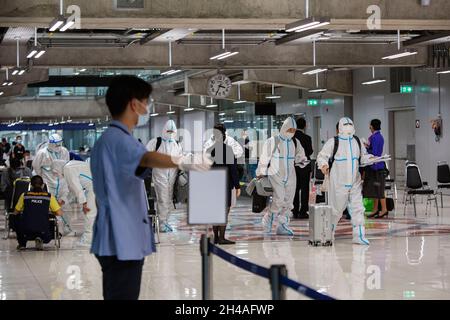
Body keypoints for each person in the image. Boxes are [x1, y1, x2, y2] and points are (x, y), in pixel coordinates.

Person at [90, 75, 212, 300]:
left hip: (117, 235)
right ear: (133, 104)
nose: (147, 108)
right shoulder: (118, 139)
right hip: (121, 238)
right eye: (145, 101)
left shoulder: (109, 140)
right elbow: (145, 158)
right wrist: (181, 161)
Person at [317, 117, 373, 245]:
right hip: (338, 182)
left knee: (358, 207)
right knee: (336, 210)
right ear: (340, 127)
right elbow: (322, 156)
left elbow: (362, 158)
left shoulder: (357, 141)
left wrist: (371, 158)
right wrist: (323, 165)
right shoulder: (333, 142)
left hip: (355, 181)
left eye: (350, 124)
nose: (348, 126)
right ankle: (328, 232)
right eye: (345, 124)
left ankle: (359, 235)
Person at [256, 116, 307, 236]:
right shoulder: (273, 141)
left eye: (293, 131)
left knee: (289, 202)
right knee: (278, 200)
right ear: (284, 128)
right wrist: (260, 172)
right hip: (276, 174)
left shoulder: (295, 142)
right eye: (290, 130)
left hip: (291, 175)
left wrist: (302, 161)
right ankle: (268, 221)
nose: (291, 133)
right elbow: (264, 158)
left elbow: (301, 156)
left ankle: (283, 225)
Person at [205, 124, 241, 245]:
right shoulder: (228, 149)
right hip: (225, 184)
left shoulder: (209, 150)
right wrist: (237, 186)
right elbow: (233, 169)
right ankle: (222, 238)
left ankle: (216, 237)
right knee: (224, 210)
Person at [146, 120, 183, 233]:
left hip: (172, 175)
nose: (170, 133)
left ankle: (165, 221)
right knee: (162, 198)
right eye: (168, 131)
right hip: (159, 174)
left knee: (169, 199)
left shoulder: (176, 144)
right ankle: (162, 223)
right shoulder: (156, 142)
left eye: (172, 131)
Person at [32, 134, 72, 234]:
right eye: (56, 145)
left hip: (62, 183)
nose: (58, 147)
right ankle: (50, 229)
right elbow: (36, 169)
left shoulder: (64, 151)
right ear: (50, 143)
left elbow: (67, 166)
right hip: (48, 184)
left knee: (64, 205)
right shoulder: (42, 153)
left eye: (59, 144)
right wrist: (41, 183)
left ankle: (66, 228)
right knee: (49, 208)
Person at [51, 160, 96, 247]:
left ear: (58, 169)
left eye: (56, 173)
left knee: (90, 213)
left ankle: (88, 240)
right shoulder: (72, 165)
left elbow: (76, 187)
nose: (59, 176)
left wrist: (84, 202)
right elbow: (72, 190)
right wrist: (63, 201)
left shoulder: (67, 169)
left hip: (94, 187)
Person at [14, 175, 63, 250]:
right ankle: (41, 238)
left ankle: (22, 244)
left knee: (16, 218)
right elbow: (59, 213)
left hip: (26, 232)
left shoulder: (24, 195)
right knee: (51, 218)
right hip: (44, 231)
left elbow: (15, 212)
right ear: (43, 185)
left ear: (30, 185)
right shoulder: (49, 197)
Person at [364, 119, 388, 219]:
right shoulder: (380, 137)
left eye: (370, 125)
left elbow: (374, 152)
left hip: (376, 166)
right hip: (377, 165)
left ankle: (384, 209)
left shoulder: (374, 137)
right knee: (376, 189)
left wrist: (366, 147)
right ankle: (375, 209)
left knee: (379, 189)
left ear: (372, 126)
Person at [292, 117, 313, 219]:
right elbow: (310, 152)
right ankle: (303, 211)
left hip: (294, 166)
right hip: (305, 167)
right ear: (305, 126)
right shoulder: (307, 138)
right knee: (305, 189)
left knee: (295, 188)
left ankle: (294, 210)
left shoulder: (292, 138)